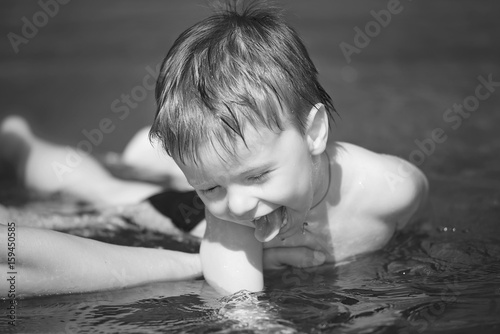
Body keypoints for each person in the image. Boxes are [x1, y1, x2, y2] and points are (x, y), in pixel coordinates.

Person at [148, 3, 429, 295]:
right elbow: (240, 305)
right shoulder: (232, 213)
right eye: (209, 188)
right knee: (125, 204)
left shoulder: (394, 189)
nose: (237, 206)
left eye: (257, 176)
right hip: (179, 212)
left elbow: (417, 239)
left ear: (313, 132)